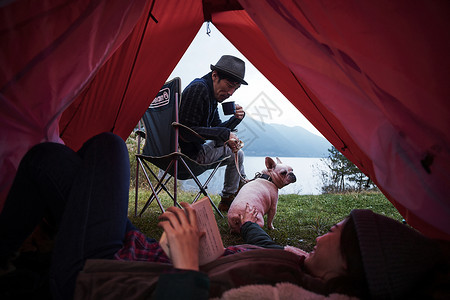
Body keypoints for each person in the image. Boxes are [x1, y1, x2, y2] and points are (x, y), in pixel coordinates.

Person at [0, 133, 447, 299]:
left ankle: (39, 258)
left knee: (108, 148)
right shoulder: (302, 264)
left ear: (351, 265)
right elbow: (260, 238)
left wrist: (187, 264)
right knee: (52, 162)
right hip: (140, 254)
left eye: (340, 231)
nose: (330, 228)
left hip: (102, 277)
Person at [179, 55, 248, 212]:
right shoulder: (199, 89)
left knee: (235, 149)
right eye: (229, 85)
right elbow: (185, 131)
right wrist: (225, 135)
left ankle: (238, 191)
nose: (231, 93)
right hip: (187, 156)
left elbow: (217, 128)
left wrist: (236, 119)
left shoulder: (211, 96)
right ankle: (230, 198)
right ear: (215, 75)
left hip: (189, 153)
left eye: (235, 89)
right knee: (238, 153)